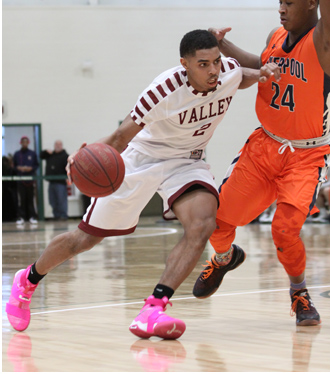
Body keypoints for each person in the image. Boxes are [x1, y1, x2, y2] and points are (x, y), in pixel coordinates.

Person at [6, 29, 280, 337]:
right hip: (142, 158)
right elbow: (121, 137)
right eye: (203, 64)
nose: (213, 70)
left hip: (187, 161)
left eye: (216, 61)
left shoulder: (226, 71)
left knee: (202, 224)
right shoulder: (162, 91)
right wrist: (82, 157)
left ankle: (153, 309)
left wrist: (260, 73)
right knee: (85, 238)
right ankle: (27, 280)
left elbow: (238, 76)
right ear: (184, 64)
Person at [193, 0, 330, 327]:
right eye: (278, 0)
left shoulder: (329, 44)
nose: (280, 9)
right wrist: (224, 45)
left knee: (283, 230)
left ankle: (298, 294)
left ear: (313, 4)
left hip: (305, 155)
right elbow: (265, 65)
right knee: (220, 220)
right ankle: (223, 258)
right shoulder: (279, 37)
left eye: (289, 2)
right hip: (264, 147)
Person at [13, 136, 39, 225]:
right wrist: (19, 168)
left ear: (28, 143)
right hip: (21, 180)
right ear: (21, 143)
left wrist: (30, 168)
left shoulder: (32, 153)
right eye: (23, 142)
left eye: (26, 142)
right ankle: (21, 217)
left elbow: (36, 165)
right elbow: (14, 166)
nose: (24, 143)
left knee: (31, 198)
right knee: (21, 199)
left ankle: (32, 216)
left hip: (30, 180)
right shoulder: (17, 154)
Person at [40, 140, 69, 220]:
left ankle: (63, 215)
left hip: (60, 182)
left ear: (62, 145)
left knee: (61, 200)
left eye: (59, 144)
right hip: (51, 181)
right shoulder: (50, 155)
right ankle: (56, 215)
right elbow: (41, 155)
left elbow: (68, 168)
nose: (58, 146)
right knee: (52, 200)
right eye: (56, 144)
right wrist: (46, 151)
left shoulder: (65, 156)